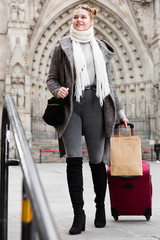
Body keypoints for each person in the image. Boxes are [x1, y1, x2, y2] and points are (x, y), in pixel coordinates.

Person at [46, 4, 128, 235]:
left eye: (83, 17)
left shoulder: (101, 48)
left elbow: (110, 86)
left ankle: (100, 208)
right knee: (73, 160)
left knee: (96, 162)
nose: (79, 20)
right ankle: (78, 214)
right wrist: (57, 90)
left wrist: (120, 113)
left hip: (97, 104)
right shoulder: (61, 47)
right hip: (72, 106)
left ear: (92, 21)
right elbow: (51, 79)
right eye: (75, 17)